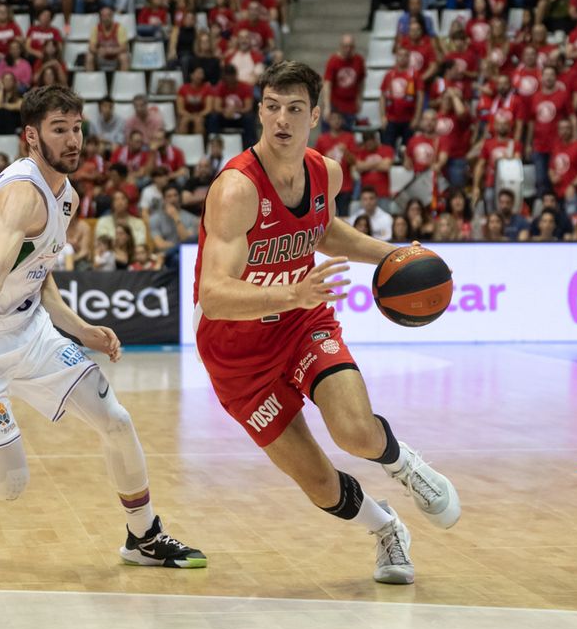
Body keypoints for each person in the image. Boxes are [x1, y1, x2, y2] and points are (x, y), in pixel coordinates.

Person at [0, 85, 206, 569]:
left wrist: (78, 326)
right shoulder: (20, 195)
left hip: (30, 333)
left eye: (77, 129)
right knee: (8, 484)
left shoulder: (66, 196)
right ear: (32, 136)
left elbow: (37, 271)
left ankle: (144, 536)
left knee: (115, 420)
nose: (74, 140)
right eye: (60, 130)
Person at [194, 61, 459, 585]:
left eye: (294, 109)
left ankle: (403, 464)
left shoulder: (326, 172)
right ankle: (385, 528)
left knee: (356, 432)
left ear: (314, 115)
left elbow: (323, 230)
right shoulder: (236, 189)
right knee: (319, 483)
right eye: (272, 107)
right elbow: (213, 295)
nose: (281, 120)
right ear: (260, 111)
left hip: (302, 323)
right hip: (237, 354)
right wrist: (291, 290)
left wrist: (395, 254)